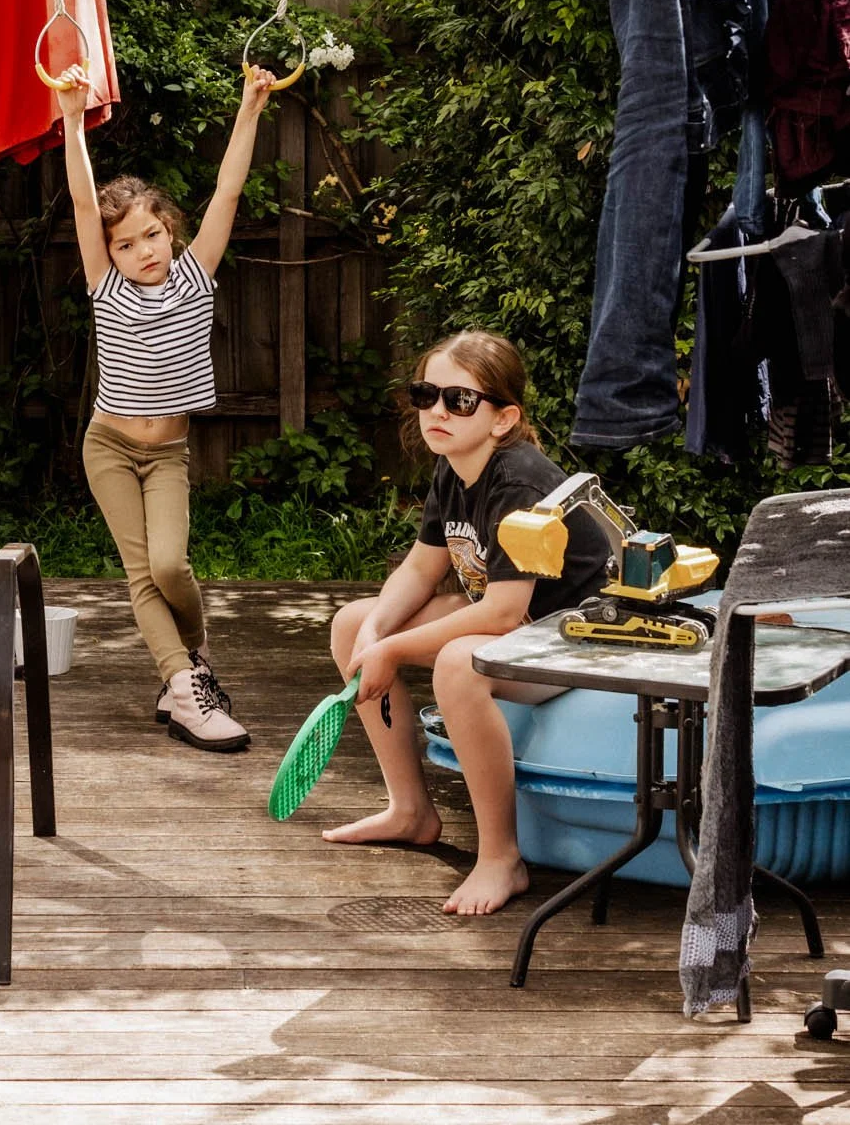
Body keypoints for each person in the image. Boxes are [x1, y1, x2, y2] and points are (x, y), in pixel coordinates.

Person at [325, 330, 611, 915]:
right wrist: (378, 630)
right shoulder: (455, 467)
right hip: (522, 625)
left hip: (576, 638)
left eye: (458, 400)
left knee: (459, 665)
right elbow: (421, 567)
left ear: (504, 418)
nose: (435, 411)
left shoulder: (520, 482)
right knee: (352, 623)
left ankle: (501, 856)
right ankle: (411, 811)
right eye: (425, 394)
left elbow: (504, 611)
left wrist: (396, 648)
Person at [57, 63, 276, 752]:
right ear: (110, 254)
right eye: (125, 244)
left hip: (169, 452)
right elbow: (83, 205)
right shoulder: (106, 289)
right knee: (138, 571)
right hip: (110, 447)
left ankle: (195, 651)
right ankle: (185, 690)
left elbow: (229, 190)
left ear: (169, 231)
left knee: (171, 568)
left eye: (150, 235)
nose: (140, 250)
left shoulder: (194, 274)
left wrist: (249, 107)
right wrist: (69, 118)